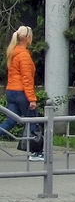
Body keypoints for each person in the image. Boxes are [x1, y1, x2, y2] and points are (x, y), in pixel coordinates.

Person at [2, 26, 43, 161]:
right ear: (27, 38)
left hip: (11, 91)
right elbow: (27, 79)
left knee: (11, 121)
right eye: (31, 36)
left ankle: (34, 152)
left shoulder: (13, 52)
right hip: (21, 93)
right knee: (33, 120)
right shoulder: (24, 55)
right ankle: (35, 153)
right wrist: (32, 99)